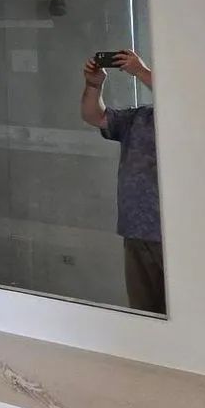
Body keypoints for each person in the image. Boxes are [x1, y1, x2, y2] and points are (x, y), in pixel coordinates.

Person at [80, 50, 162, 313]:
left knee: (180, 311)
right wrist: (94, 85)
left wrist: (140, 70)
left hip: (172, 234)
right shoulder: (139, 118)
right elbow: (94, 116)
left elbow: (183, 102)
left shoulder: (184, 119)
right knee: (143, 311)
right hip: (136, 230)